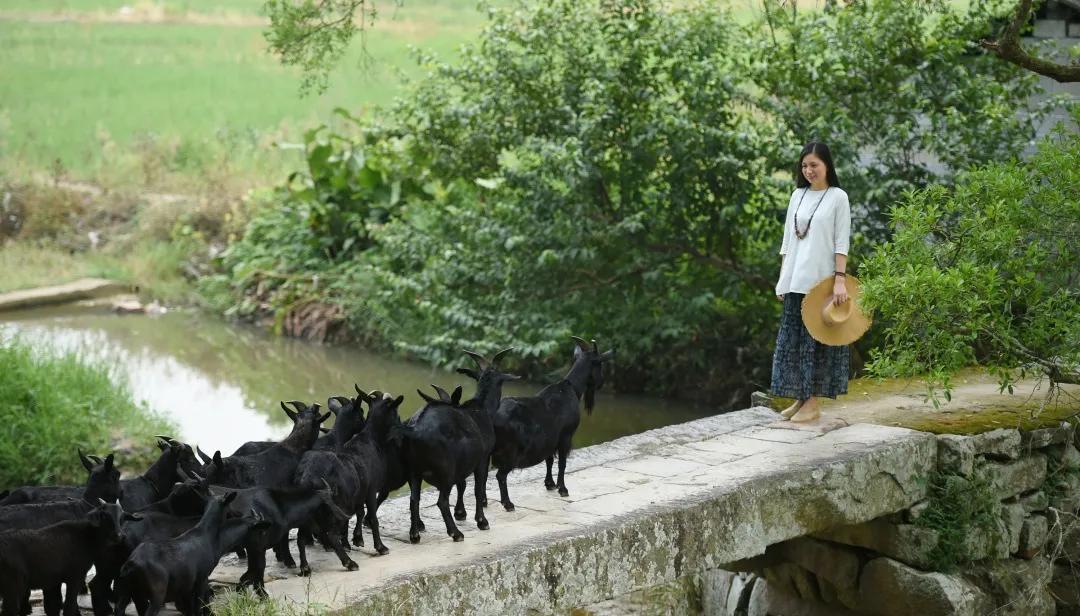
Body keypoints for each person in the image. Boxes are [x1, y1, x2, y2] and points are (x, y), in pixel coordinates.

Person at [771, 141, 851, 422]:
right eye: (804, 166)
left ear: (827, 165)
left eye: (814, 165)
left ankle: (812, 403)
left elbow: (841, 242)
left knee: (815, 344)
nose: (808, 171)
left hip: (821, 283)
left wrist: (840, 280)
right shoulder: (798, 195)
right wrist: (783, 278)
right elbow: (787, 242)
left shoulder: (838, 197)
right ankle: (802, 399)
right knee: (793, 344)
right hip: (795, 280)